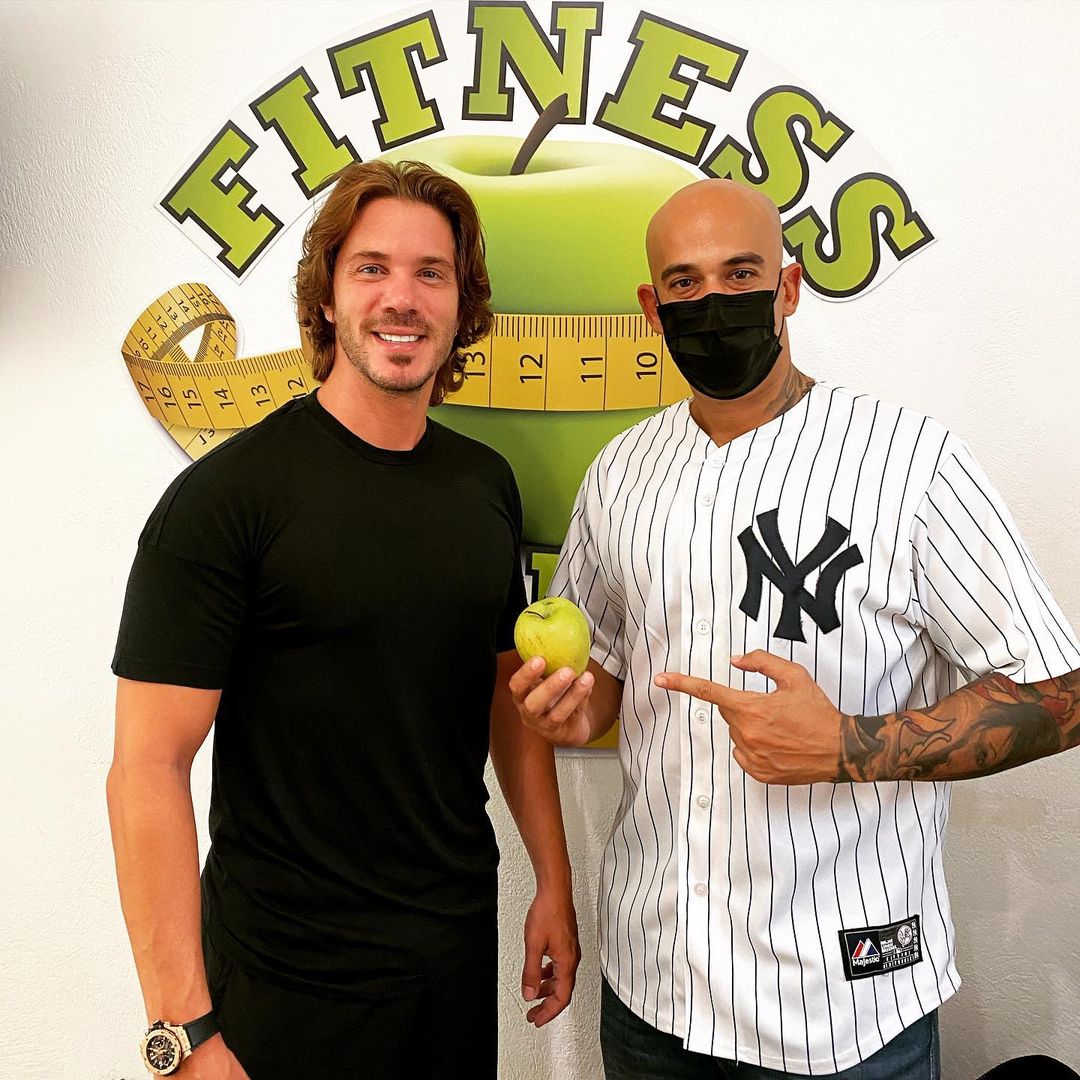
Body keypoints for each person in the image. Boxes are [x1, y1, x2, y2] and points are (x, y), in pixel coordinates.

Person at [509, 178, 1080, 1079]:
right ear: (653, 310)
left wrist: (853, 745)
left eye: (740, 274)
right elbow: (605, 676)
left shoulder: (909, 460)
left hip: (842, 1003)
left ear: (787, 288)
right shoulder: (620, 473)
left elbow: (1061, 694)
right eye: (685, 284)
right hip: (653, 986)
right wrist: (573, 713)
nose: (714, 303)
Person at [107, 159, 579, 1080]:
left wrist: (553, 881)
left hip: (450, 966)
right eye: (371, 268)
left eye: (430, 273)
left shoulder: (484, 485)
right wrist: (182, 1032)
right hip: (282, 984)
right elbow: (146, 768)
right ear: (325, 297)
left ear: (462, 306)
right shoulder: (226, 499)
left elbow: (505, 698)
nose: (401, 298)